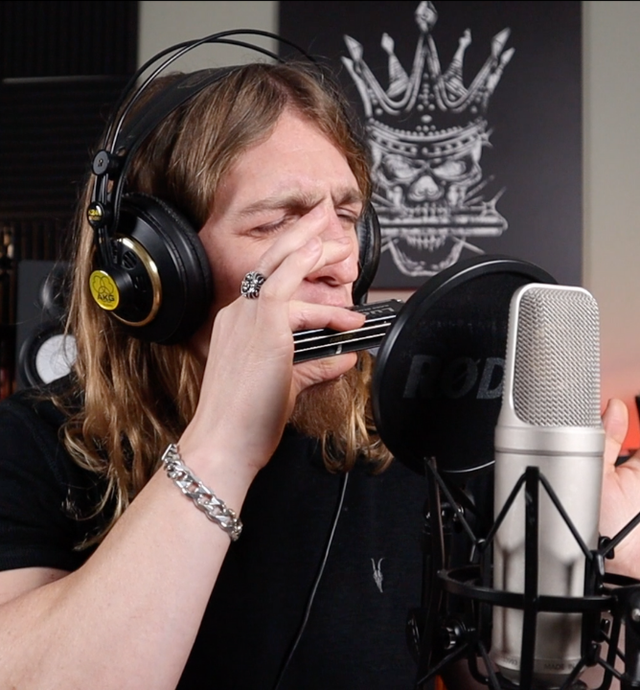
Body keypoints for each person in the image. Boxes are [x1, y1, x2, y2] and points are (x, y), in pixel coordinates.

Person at [0, 37, 638, 690]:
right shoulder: (31, 447)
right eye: (277, 223)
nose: (340, 262)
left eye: (347, 218)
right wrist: (223, 446)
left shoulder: (408, 440)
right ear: (156, 271)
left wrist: (596, 564)